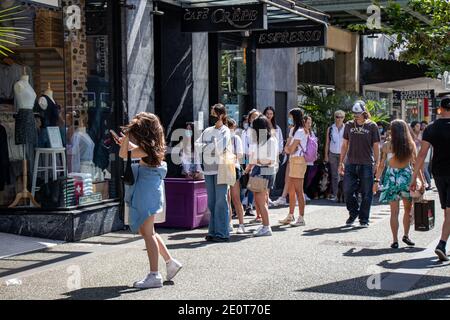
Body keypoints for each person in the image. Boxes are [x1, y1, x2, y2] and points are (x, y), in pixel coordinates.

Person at [114, 112, 182, 289]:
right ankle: (170, 262)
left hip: (147, 189)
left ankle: (154, 275)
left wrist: (127, 137)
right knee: (148, 230)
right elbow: (126, 151)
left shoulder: (147, 148)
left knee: (148, 233)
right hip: (150, 187)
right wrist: (127, 142)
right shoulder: (152, 146)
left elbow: (123, 154)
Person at [411, 96, 450, 261]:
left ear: (440, 109)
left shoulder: (431, 128)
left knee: (447, 210)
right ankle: (441, 244)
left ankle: (443, 243)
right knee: (449, 211)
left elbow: (421, 155)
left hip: (439, 173)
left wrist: (414, 178)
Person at [374, 120, 424, 249]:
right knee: (407, 210)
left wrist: (376, 181)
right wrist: (422, 182)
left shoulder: (387, 145)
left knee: (394, 212)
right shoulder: (410, 145)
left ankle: (395, 240)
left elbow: (381, 165)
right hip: (406, 179)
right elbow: (416, 165)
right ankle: (406, 236)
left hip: (391, 179)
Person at [339, 100, 380, 228]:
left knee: (367, 192)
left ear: (364, 113)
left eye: (358, 113)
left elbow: (376, 145)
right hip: (350, 163)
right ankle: (353, 212)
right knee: (347, 190)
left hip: (366, 163)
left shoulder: (372, 126)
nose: (356, 115)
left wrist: (377, 162)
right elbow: (345, 144)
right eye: (354, 113)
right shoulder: (349, 125)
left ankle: (364, 219)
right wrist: (341, 161)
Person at [196, 103, 232, 242]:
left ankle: (223, 233)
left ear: (221, 115)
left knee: (221, 201)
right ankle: (213, 231)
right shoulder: (207, 130)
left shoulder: (225, 131)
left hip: (221, 169)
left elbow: (221, 148)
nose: (211, 116)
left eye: (214, 113)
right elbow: (197, 145)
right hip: (208, 170)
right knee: (211, 202)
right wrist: (209, 146)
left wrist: (207, 147)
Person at [244, 115, 278, 236]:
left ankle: (266, 226)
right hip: (260, 169)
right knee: (259, 200)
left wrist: (256, 160)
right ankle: (265, 224)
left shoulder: (271, 140)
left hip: (264, 170)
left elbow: (271, 160)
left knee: (260, 200)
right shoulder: (261, 140)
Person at [279, 108, 308, 227]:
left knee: (298, 190)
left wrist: (289, 149)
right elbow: (287, 148)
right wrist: (289, 149)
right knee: (291, 189)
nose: (289, 119)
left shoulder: (301, 131)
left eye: (290, 117)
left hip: (299, 161)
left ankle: (301, 217)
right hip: (292, 160)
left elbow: (290, 148)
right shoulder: (293, 130)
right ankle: (291, 215)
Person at [226, 118, 246, 234]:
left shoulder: (236, 138)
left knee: (235, 197)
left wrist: (229, 156)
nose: (230, 129)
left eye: (231, 127)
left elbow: (240, 155)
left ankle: (241, 224)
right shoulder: (221, 138)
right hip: (224, 169)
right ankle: (229, 223)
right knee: (227, 198)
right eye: (229, 127)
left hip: (234, 168)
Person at [243, 109, 262, 222]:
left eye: (257, 116)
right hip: (249, 160)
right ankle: (257, 214)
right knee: (252, 187)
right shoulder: (247, 132)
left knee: (261, 191)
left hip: (260, 163)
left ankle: (262, 216)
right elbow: (246, 148)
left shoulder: (264, 132)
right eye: (252, 117)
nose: (254, 119)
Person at [324, 110, 345, 201]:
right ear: (334, 118)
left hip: (343, 154)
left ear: (344, 118)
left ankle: (344, 195)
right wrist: (326, 155)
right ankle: (336, 194)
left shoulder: (346, 128)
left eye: (341, 117)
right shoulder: (330, 128)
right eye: (337, 117)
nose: (339, 119)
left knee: (344, 174)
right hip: (332, 153)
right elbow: (327, 143)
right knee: (334, 175)